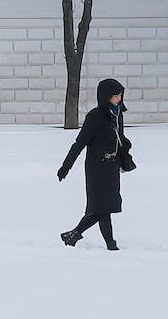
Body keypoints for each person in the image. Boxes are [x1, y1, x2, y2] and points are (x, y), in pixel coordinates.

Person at [57, 77, 135, 250]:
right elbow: (80, 143)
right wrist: (66, 166)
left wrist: (126, 150)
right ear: (105, 97)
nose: (119, 99)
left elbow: (119, 138)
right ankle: (110, 244)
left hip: (112, 167)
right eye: (115, 96)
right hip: (97, 168)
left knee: (105, 206)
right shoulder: (95, 116)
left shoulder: (117, 114)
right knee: (102, 206)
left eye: (120, 95)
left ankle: (74, 235)